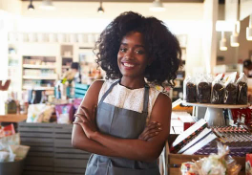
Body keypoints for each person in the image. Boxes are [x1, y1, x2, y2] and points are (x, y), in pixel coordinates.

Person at [71, 11, 181, 175]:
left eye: (139, 51)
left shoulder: (159, 101)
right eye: (123, 48)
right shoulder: (98, 88)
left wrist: (95, 135)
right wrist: (134, 147)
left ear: (151, 58)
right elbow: (78, 140)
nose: (128, 56)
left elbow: (150, 152)